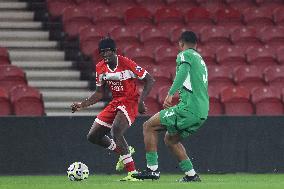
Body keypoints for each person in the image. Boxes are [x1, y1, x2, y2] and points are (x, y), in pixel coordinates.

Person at [71, 37, 154, 181]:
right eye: (102, 52)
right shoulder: (100, 67)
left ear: (115, 51)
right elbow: (98, 93)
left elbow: (150, 80)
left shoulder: (127, 63)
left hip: (130, 101)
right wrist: (82, 104)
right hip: (115, 102)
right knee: (93, 136)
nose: (104, 55)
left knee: (116, 130)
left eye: (107, 51)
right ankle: (123, 151)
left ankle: (132, 173)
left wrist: (141, 102)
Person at [132, 31, 209, 182]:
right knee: (170, 139)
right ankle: (191, 175)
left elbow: (183, 71)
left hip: (189, 108)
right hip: (202, 111)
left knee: (148, 126)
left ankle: (152, 170)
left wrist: (170, 93)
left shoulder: (185, 55)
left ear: (181, 43)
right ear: (196, 44)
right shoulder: (200, 59)